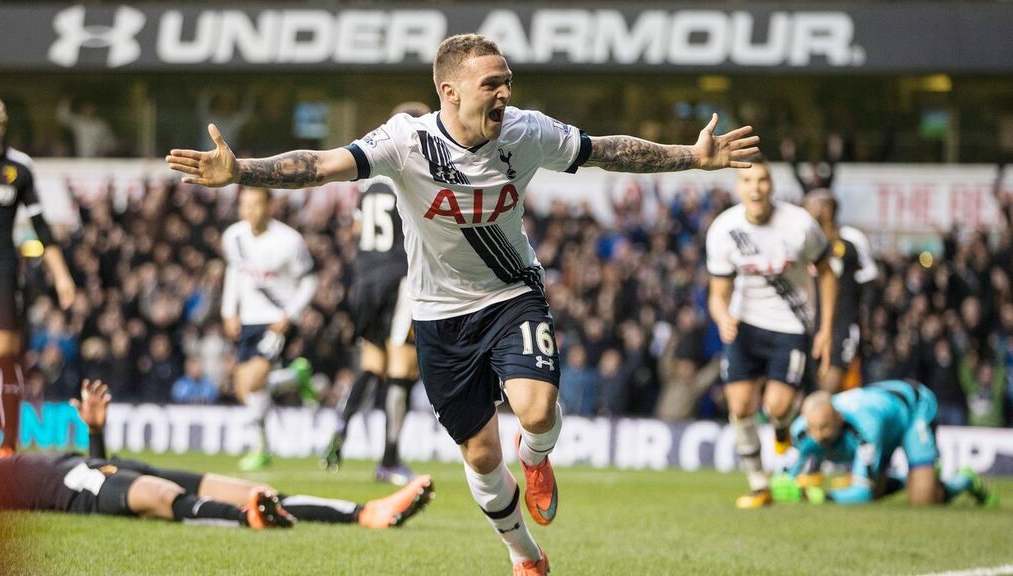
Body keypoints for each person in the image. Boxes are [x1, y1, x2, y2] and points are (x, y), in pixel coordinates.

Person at [167, 34, 758, 574]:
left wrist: (692, 156)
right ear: (448, 92)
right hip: (437, 315)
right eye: (491, 84)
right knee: (479, 454)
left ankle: (536, 458)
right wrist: (240, 171)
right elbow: (321, 166)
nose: (504, 93)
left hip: (510, 295)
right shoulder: (405, 141)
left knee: (536, 410)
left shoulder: (527, 131)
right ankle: (523, 554)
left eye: (507, 82)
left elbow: (606, 150)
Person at [0, 379, 435, 530]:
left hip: (97, 465)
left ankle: (367, 514)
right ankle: (248, 519)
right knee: (160, 496)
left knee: (253, 489)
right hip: (77, 487)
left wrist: (97, 432)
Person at [706, 157, 838, 509]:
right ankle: (759, 484)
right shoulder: (723, 230)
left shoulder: (800, 225)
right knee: (740, 406)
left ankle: (781, 426)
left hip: (790, 327)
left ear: (772, 186)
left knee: (777, 406)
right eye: (748, 181)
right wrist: (722, 317)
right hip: (744, 326)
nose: (756, 188)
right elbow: (717, 294)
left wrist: (825, 329)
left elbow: (827, 272)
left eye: (763, 180)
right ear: (738, 187)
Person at [322, 101, 431, 486]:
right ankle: (389, 458)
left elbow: (354, 231)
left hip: (364, 279)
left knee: (371, 364)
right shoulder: (416, 173)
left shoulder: (370, 180)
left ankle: (341, 425)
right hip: (400, 276)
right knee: (402, 369)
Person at [0, 93, 77, 458]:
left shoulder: (18, 169)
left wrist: (63, 277)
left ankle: (8, 445)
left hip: (2, 268)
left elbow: (42, 229)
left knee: (4, 355)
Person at [770, 380, 996, 507]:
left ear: (838, 418)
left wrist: (817, 496)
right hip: (884, 416)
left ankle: (966, 479)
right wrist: (781, 486)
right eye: (813, 428)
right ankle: (912, 479)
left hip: (912, 409)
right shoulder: (802, 430)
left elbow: (861, 493)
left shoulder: (864, 427)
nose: (818, 436)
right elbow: (784, 475)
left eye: (825, 427)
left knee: (924, 499)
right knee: (877, 488)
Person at [220, 186, 318, 471]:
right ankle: (293, 378)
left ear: (269, 206)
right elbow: (234, 273)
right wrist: (229, 312)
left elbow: (309, 281)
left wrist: (290, 315)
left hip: (277, 321)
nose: (249, 211)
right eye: (245, 205)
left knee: (253, 383)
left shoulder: (289, 240)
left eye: (255, 205)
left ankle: (260, 448)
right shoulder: (233, 237)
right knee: (244, 391)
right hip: (247, 320)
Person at [802, 189, 878, 392]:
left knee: (830, 385)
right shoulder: (807, 242)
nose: (805, 210)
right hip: (811, 324)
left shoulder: (852, 239)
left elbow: (869, 282)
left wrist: (867, 324)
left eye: (811, 205)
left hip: (844, 324)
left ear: (827, 209)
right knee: (813, 384)